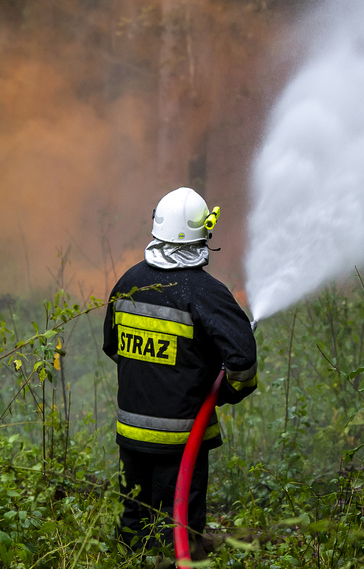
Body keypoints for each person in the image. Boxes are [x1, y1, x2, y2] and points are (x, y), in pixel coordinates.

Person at [102, 186, 258, 555]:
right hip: (182, 438)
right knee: (178, 529)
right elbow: (243, 366)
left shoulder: (127, 282)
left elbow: (112, 346)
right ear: (203, 234)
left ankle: (131, 560)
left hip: (131, 433)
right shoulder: (205, 291)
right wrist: (221, 392)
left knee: (133, 518)